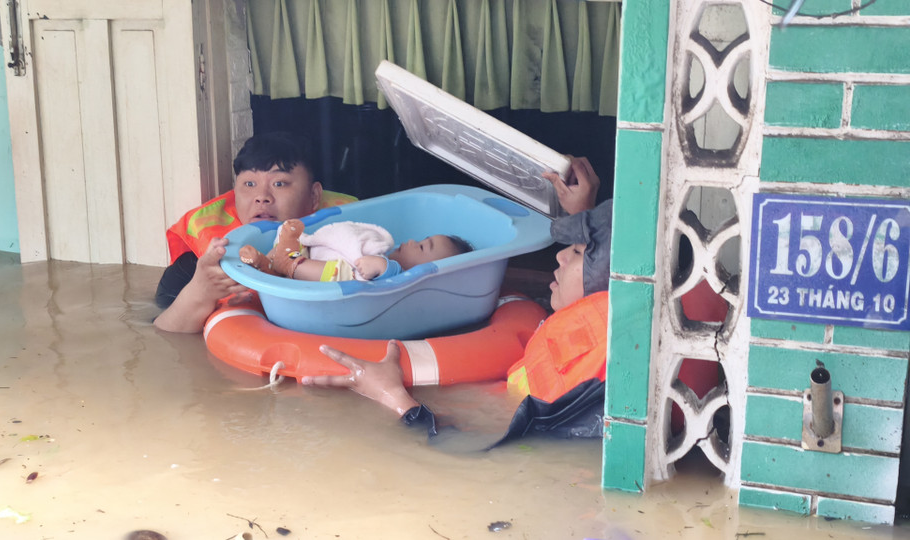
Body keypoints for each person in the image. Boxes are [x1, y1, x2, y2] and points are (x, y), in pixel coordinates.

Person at [302, 162, 612, 444]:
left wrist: (391, 395)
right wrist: (584, 213)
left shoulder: (589, 357)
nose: (559, 255)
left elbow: (463, 446)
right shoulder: (597, 324)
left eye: (577, 252)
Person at [153, 132, 354, 333]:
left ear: (314, 195)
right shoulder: (202, 263)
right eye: (249, 184)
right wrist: (201, 290)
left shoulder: (346, 236)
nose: (261, 197)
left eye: (279, 183)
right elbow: (162, 334)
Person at [238, 218, 473, 281]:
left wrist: (382, 267)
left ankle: (288, 264)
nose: (412, 241)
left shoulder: (398, 273)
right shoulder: (380, 247)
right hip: (308, 257)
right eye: (421, 239)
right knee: (293, 242)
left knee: (346, 274)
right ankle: (269, 265)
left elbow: (390, 280)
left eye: (422, 247)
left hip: (307, 271)